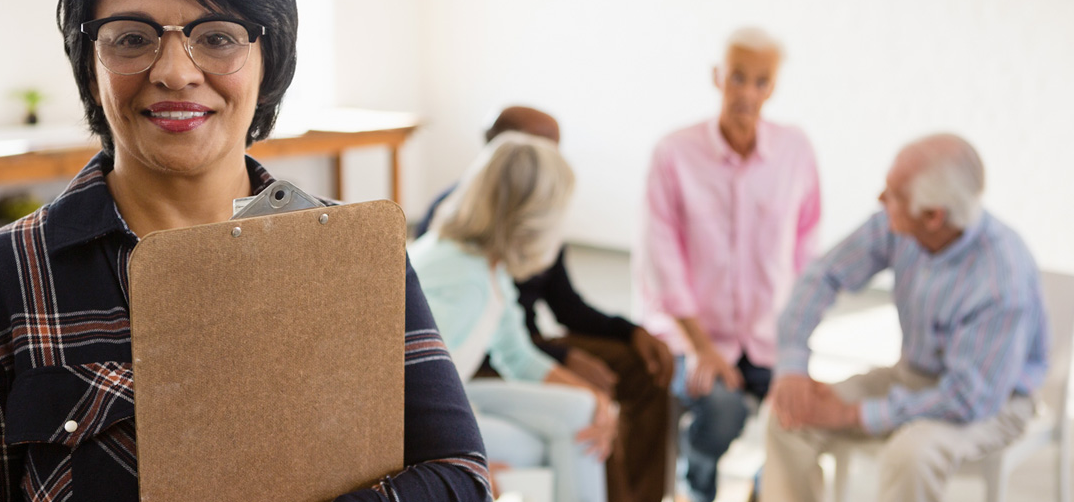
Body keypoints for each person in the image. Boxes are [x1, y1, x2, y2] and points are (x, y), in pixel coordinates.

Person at [0, 0, 489, 502]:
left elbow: (460, 478)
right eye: (132, 38)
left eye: (217, 38)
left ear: (271, 58)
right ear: (90, 65)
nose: (176, 72)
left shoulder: (359, 255)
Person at [764, 133, 1049, 502]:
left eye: (893, 194)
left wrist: (853, 414)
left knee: (910, 455)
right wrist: (792, 368)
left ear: (934, 216)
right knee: (790, 417)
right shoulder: (898, 224)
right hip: (913, 377)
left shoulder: (1001, 278)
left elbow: (967, 398)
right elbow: (823, 275)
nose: (881, 200)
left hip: (992, 401)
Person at [418, 106, 675, 502]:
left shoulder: (485, 262)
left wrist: (597, 399)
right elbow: (410, 395)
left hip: (453, 397)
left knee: (585, 415)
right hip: (424, 419)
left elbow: (517, 356)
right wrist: (469, 463)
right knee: (569, 438)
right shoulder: (467, 285)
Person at [634, 27, 820, 502]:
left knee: (798, 416)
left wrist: (796, 337)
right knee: (722, 410)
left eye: (761, 81)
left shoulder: (795, 150)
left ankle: (765, 489)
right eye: (738, 78)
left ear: (772, 88)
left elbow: (806, 247)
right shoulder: (673, 153)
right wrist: (700, 348)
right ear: (718, 76)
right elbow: (661, 260)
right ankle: (696, 486)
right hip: (691, 335)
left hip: (767, 335)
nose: (748, 92)